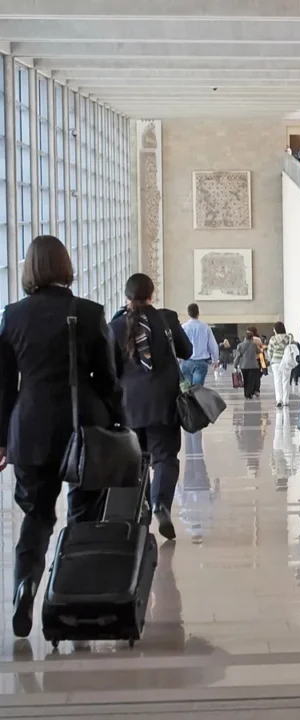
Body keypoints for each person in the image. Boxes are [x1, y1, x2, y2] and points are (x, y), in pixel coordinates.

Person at [0, 235, 125, 637]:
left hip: (31, 429)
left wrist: (3, 439)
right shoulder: (88, 313)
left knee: (36, 516)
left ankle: (26, 585)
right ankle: (72, 596)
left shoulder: (12, 316)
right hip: (84, 428)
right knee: (83, 516)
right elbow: (107, 378)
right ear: (66, 266)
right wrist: (119, 421)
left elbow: (4, 386)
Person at [108, 272, 193, 542]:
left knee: (136, 461)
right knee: (165, 457)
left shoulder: (116, 326)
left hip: (130, 405)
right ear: (152, 294)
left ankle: (140, 514)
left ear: (126, 296)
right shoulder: (166, 318)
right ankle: (161, 503)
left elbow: (110, 368)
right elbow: (187, 351)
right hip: (164, 402)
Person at [180, 302, 219, 387]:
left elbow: (179, 344)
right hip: (200, 363)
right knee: (198, 390)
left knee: (186, 389)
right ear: (198, 313)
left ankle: (187, 400)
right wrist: (215, 360)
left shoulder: (183, 327)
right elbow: (213, 345)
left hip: (186, 362)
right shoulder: (205, 327)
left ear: (188, 313)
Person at [267, 322, 296, 408]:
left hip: (275, 362)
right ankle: (286, 400)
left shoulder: (273, 339)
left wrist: (271, 358)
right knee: (286, 381)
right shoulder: (288, 337)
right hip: (286, 361)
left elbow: (270, 351)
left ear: (275, 329)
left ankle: (278, 399)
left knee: (277, 381)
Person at [233, 330, 264, 399]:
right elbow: (259, 351)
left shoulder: (240, 345)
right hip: (253, 365)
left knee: (245, 379)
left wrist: (235, 365)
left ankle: (246, 393)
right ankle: (249, 393)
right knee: (251, 380)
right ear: (252, 338)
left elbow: (238, 356)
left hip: (244, 366)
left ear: (245, 337)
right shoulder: (254, 345)